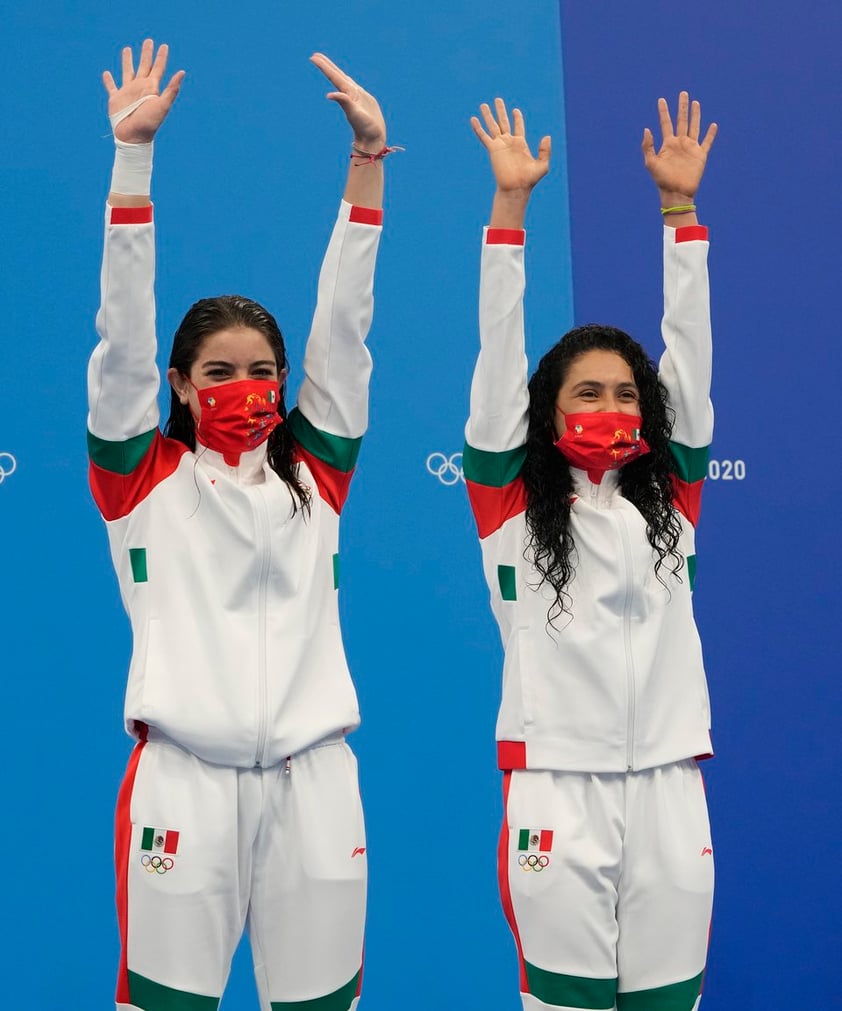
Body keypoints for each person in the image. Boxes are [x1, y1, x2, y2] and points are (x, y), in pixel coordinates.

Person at [88, 39, 390, 1011]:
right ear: (178, 386)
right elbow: (121, 336)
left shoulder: (315, 472)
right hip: (186, 784)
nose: (247, 389)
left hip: (316, 785)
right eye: (219, 373)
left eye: (262, 371)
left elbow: (343, 329)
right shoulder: (142, 479)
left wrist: (368, 162)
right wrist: (132, 161)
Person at [464, 94, 718, 1011]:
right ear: (549, 410)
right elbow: (499, 355)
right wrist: (509, 212)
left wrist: (680, 217)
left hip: (667, 787)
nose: (610, 408)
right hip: (555, 790)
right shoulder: (508, 503)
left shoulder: (674, 502)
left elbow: (690, 356)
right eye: (588, 392)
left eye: (625, 393)